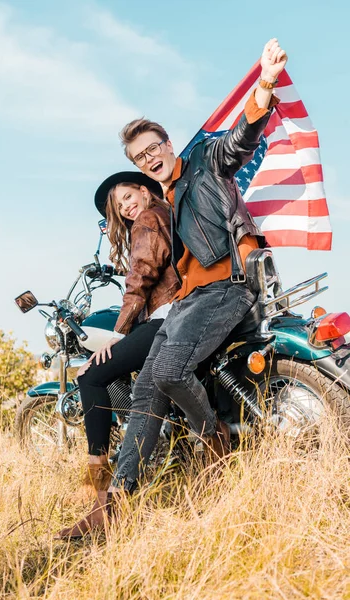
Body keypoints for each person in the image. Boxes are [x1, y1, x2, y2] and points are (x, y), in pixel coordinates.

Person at [59, 37, 288, 539]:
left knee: (166, 371)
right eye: (140, 157)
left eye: (154, 149)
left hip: (229, 285)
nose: (150, 159)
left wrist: (265, 83)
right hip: (190, 301)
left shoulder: (205, 162)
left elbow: (240, 141)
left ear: (168, 144)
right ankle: (112, 505)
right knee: (145, 385)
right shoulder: (165, 199)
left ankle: (215, 443)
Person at [56, 171, 180, 539]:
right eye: (119, 205)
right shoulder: (166, 214)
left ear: (144, 190)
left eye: (128, 196)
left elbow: (140, 278)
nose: (126, 207)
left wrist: (119, 331)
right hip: (174, 312)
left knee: (90, 376)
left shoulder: (148, 219)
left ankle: (98, 495)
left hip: (165, 317)